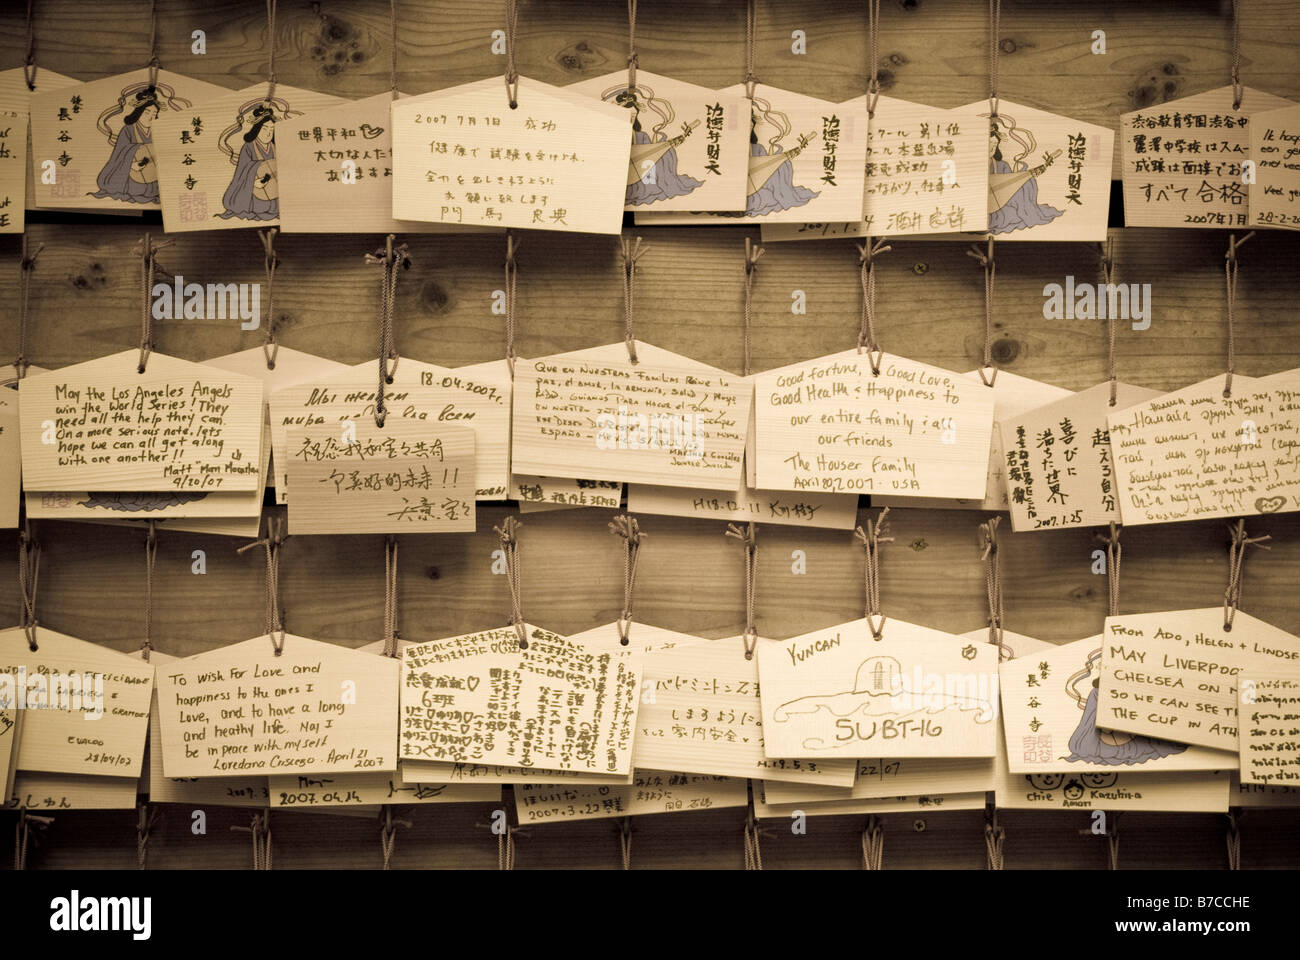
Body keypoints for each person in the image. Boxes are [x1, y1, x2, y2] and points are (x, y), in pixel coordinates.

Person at [89, 82, 189, 203]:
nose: (151, 117)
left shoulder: (157, 130)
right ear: (138, 112)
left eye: (154, 114)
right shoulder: (128, 129)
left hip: (155, 173)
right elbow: (119, 154)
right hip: (132, 173)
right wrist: (131, 163)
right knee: (137, 188)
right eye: (147, 113)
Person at [605, 84, 703, 205]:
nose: (631, 119)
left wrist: (668, 146)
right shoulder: (610, 135)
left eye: (634, 116)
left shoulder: (642, 136)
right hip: (614, 176)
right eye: (627, 116)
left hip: (641, 178)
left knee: (652, 168)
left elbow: (650, 157)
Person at [987, 113, 1064, 234]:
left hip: (997, 209)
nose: (992, 148)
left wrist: (1028, 177)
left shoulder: (1002, 165)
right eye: (989, 144)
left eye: (994, 144)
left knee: (1009, 215)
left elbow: (1012, 187)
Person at [217, 99, 293, 221]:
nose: (268, 133)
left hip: (275, 188)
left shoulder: (275, 146)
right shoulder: (248, 147)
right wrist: (253, 180)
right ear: (256, 129)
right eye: (265, 128)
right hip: (253, 190)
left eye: (271, 129)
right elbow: (241, 172)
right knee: (260, 205)